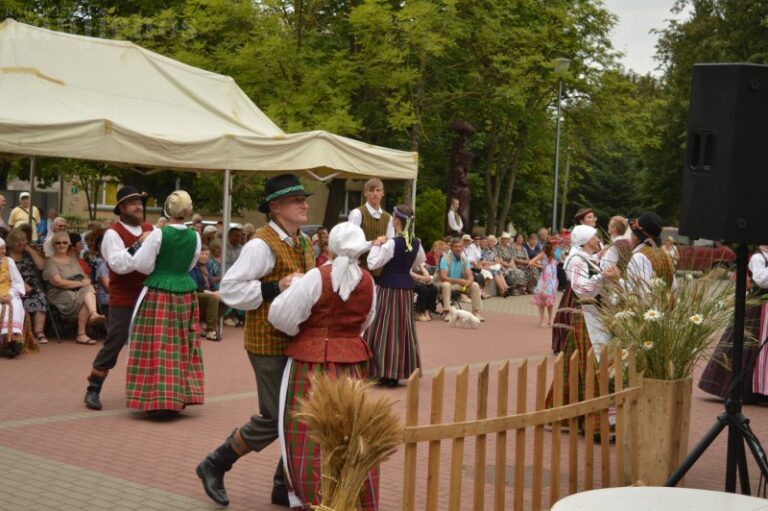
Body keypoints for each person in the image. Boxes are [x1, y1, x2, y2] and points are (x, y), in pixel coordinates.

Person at [196, 173, 315, 508]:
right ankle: (215, 463)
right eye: (296, 200)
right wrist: (276, 287)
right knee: (278, 417)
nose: (304, 204)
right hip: (266, 342)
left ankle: (282, 484)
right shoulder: (261, 244)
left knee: (298, 414)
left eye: (303, 198)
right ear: (276, 207)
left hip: (297, 339)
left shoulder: (302, 241)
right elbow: (230, 289)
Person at [268, 222, 379, 510]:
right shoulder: (368, 281)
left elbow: (281, 316)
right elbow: (367, 320)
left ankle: (313, 496)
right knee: (351, 432)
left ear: (330, 246)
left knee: (306, 431)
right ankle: (350, 493)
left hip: (310, 362)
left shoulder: (316, 277)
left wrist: (304, 333)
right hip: (352, 364)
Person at [125, 190, 202, 414]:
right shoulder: (195, 236)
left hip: (158, 291)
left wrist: (161, 268)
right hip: (186, 292)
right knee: (181, 344)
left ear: (167, 210)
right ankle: (180, 395)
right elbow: (191, 264)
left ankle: (156, 398)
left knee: (156, 343)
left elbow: (142, 264)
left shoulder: (159, 234)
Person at [84, 186, 153, 411]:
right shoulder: (113, 234)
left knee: (150, 344)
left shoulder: (150, 228)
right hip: (123, 297)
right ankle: (93, 388)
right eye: (133, 203)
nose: (138, 206)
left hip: (148, 295)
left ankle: (150, 392)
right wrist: (140, 243)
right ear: (122, 208)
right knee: (116, 340)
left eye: (140, 202)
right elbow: (118, 265)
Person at [549, 225, 617, 415]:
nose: (598, 239)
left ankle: (564, 411)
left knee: (577, 363)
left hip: (593, 315)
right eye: (595, 236)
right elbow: (581, 289)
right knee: (591, 362)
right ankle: (591, 413)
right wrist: (603, 276)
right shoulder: (576, 260)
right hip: (586, 316)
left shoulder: (587, 258)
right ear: (586, 240)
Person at [700, 245, 768, 403]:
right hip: (757, 308)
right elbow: (761, 279)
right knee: (745, 347)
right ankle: (744, 391)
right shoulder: (759, 257)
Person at [366, 205, 425, 387]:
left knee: (383, 328)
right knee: (401, 329)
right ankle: (396, 372)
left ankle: (383, 372)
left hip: (388, 289)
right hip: (405, 289)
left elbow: (373, 263)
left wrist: (376, 244)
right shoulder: (416, 242)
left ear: (397, 221)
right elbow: (419, 261)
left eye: (393, 217)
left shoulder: (392, 243)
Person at [43, 231, 105, 345]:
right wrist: (80, 284)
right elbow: (58, 282)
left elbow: (85, 278)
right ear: (53, 245)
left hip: (77, 292)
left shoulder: (73, 260)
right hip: (59, 294)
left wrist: (84, 282)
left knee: (88, 290)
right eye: (58, 243)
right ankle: (88, 322)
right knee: (88, 292)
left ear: (68, 244)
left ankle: (86, 326)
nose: (62, 245)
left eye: (65, 243)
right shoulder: (50, 262)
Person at [7, 228, 48, 344]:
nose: (21, 243)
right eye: (18, 241)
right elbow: (6, 274)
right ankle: (19, 332)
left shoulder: (28, 254)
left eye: (24, 240)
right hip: (14, 285)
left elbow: (41, 266)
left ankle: (39, 332)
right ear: (11, 243)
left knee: (40, 295)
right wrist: (21, 284)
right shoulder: (6, 256)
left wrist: (30, 249)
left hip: (33, 285)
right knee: (14, 300)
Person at [348, 178, 395, 275]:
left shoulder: (389, 218)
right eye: (371, 190)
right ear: (365, 193)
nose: (375, 193)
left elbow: (390, 246)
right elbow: (352, 243)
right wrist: (374, 243)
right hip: (359, 268)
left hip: (381, 270)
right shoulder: (357, 213)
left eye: (378, 190)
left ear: (382, 193)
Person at [438, 238, 484, 320]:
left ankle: (475, 312)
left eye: (460, 246)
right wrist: (458, 281)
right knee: (446, 285)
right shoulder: (445, 259)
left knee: (475, 285)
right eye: (456, 246)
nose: (458, 249)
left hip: (459, 284)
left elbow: (470, 275)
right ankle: (447, 312)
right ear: (451, 248)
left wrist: (469, 281)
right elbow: (443, 277)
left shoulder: (464, 259)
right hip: (444, 283)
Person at [190, 246, 225, 341]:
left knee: (226, 299)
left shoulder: (208, 265)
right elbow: (195, 286)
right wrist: (211, 293)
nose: (205, 256)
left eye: (207, 254)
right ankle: (211, 331)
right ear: (197, 254)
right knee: (213, 298)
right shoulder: (192, 265)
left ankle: (205, 323)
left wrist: (216, 291)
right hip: (194, 293)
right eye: (202, 254)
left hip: (206, 292)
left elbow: (211, 283)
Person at [0, 238, 27, 358]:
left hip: (8, 293)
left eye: (4, 248)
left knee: (15, 306)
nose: (4, 251)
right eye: (1, 248)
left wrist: (10, 294)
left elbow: (17, 281)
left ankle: (12, 342)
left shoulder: (9, 261)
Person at [530, 239, 559, 327]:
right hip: (544, 281)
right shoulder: (543, 254)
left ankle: (550, 320)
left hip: (552, 280)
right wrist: (541, 266)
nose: (557, 246)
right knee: (542, 300)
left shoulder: (554, 255)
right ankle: (542, 320)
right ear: (551, 246)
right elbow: (531, 262)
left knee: (550, 301)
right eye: (555, 245)